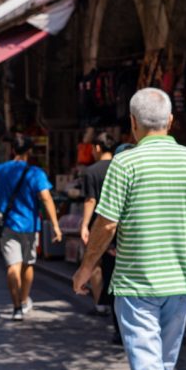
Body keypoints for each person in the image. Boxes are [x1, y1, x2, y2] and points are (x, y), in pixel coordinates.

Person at [72, 88, 186, 370]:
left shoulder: (125, 163)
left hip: (136, 284)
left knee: (148, 365)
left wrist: (86, 268)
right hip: (179, 283)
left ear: (133, 122)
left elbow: (106, 223)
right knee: (164, 364)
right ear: (170, 121)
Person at [0, 135, 63, 321]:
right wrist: (56, 226)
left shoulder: (1, 169)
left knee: (12, 266)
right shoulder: (36, 173)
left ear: (13, 151)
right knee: (28, 264)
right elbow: (46, 197)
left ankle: (16, 307)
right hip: (30, 225)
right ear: (29, 152)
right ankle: (24, 300)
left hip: (8, 224)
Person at [78, 132, 116, 320]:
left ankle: (100, 303)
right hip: (121, 224)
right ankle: (113, 303)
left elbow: (90, 200)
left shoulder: (91, 171)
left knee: (96, 263)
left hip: (100, 223)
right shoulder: (122, 167)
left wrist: (85, 225)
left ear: (98, 148)